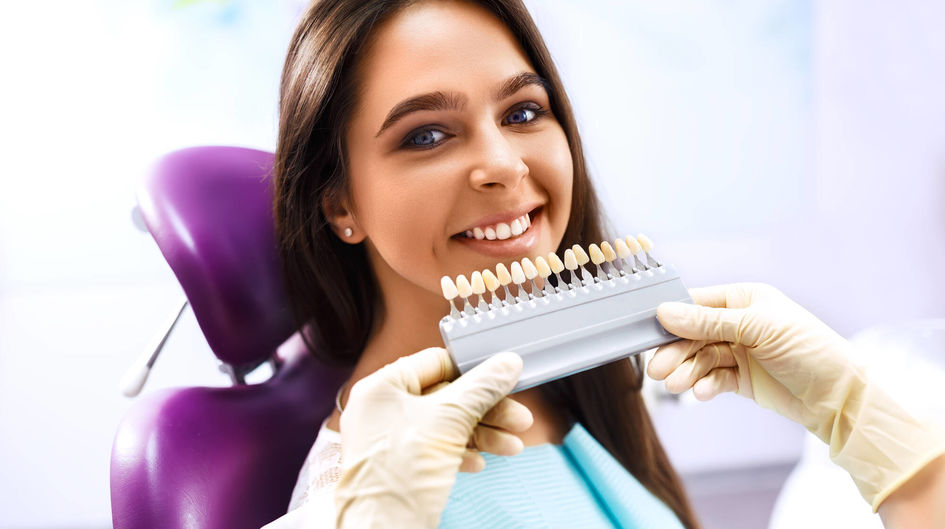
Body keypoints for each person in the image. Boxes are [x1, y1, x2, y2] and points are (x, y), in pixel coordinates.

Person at [263, 1, 945, 528]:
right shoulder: (358, 491)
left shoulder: (591, 389)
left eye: (524, 110)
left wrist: (874, 431)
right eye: (427, 134)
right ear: (338, 203)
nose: (504, 163)